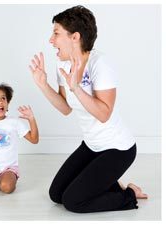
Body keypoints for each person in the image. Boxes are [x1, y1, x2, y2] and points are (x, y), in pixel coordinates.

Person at [29, 5, 147, 213]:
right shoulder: (63, 65)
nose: (51, 40)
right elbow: (66, 108)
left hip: (117, 149)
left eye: (56, 33)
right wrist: (42, 85)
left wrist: (76, 88)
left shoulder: (100, 64)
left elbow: (103, 113)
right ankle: (110, 182)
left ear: (75, 37)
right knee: (56, 195)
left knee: (74, 202)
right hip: (92, 145)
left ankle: (128, 195)